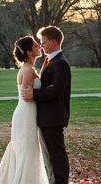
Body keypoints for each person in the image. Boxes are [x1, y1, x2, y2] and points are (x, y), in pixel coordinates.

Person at [0, 35, 49, 184]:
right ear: (29, 52)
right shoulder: (28, 70)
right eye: (36, 46)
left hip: (27, 112)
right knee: (28, 150)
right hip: (26, 114)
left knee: (28, 149)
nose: (39, 47)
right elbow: (27, 95)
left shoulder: (30, 69)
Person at [25, 25, 71, 184]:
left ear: (54, 42)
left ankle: (61, 181)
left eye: (44, 42)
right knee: (50, 153)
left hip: (53, 117)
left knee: (57, 154)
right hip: (47, 117)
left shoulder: (60, 63)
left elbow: (57, 90)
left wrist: (34, 95)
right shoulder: (49, 60)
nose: (42, 46)